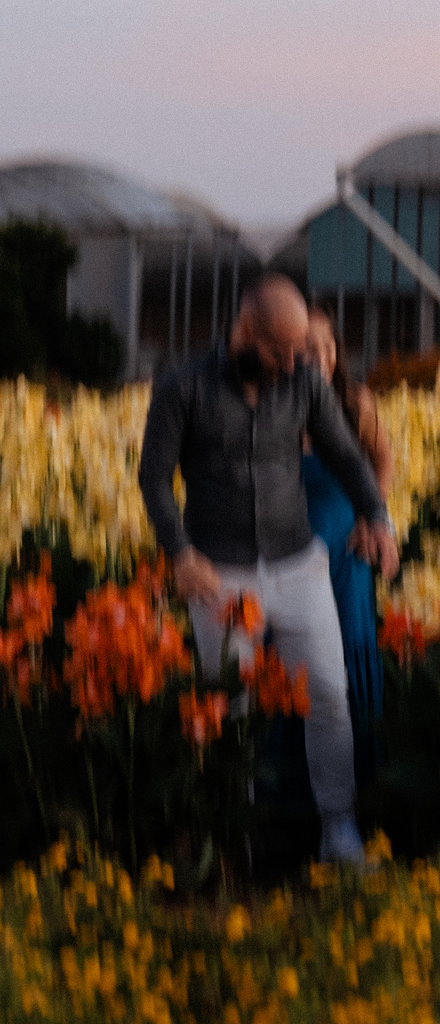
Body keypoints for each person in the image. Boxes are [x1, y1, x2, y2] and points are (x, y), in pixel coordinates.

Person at [137, 274, 400, 865]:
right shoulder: (183, 387)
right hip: (218, 573)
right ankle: (240, 836)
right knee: (234, 709)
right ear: (243, 332)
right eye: (279, 350)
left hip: (298, 565)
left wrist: (377, 516)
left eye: (299, 348)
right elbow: (154, 478)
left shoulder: (305, 382)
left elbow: (346, 456)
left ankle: (338, 828)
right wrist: (179, 552)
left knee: (329, 693)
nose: (293, 362)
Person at [302, 304, 392, 784]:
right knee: (300, 665)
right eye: (309, 346)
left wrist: (372, 519)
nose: (322, 355)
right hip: (294, 560)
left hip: (347, 552)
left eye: (329, 345)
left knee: (348, 651)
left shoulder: (353, 401)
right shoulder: (275, 407)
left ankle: (359, 790)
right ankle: (296, 795)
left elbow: (383, 461)